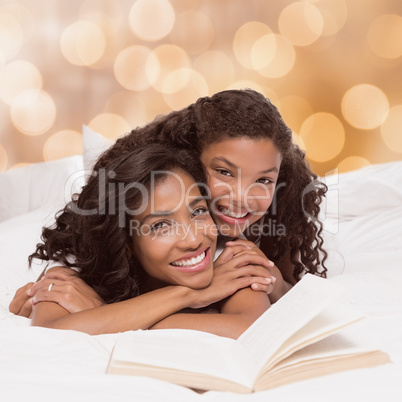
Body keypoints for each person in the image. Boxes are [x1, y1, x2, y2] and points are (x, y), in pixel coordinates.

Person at [10, 89, 327, 316]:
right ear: (188, 161)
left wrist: (275, 283)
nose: (241, 198)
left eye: (263, 180)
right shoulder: (135, 208)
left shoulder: (260, 235)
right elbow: (59, 305)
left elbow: (274, 300)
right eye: (223, 172)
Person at [26, 144, 273, 338]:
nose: (193, 239)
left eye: (198, 211)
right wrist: (187, 295)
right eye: (160, 225)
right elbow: (50, 332)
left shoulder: (230, 256)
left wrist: (101, 315)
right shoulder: (75, 273)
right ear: (126, 245)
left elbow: (251, 329)